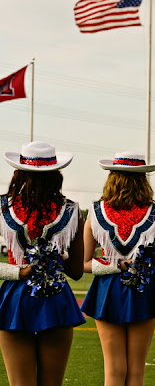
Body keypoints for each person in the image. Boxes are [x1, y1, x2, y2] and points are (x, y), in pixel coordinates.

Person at [0, 141, 85, 386]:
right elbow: (77, 272)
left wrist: (21, 271)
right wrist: (56, 259)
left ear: (18, 173)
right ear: (56, 175)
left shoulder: (2, 207)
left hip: (14, 299)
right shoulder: (71, 210)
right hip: (56, 298)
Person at [81, 152, 155, 386]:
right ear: (143, 180)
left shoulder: (96, 211)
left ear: (112, 178)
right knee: (137, 371)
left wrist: (114, 265)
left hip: (107, 291)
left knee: (114, 370)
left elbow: (84, 263)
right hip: (144, 288)